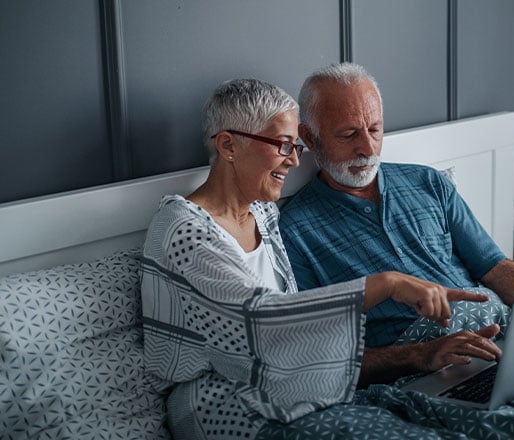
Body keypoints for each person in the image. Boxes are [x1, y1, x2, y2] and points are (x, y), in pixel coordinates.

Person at [140, 78, 490, 438]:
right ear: (229, 145)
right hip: (224, 402)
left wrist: (419, 354)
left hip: (296, 386)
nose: (293, 160)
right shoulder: (182, 230)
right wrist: (385, 285)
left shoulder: (264, 214)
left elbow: (300, 327)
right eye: (283, 145)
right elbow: (259, 322)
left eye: (296, 147)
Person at [280, 63, 514, 385]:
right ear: (309, 136)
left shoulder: (428, 182)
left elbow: (496, 267)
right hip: (431, 370)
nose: (367, 148)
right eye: (348, 134)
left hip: (511, 336)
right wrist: (421, 354)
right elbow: (317, 355)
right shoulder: (295, 231)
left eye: (375, 129)